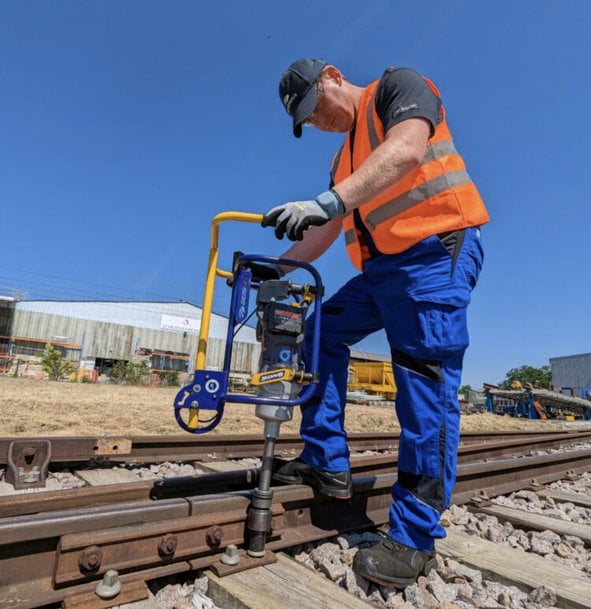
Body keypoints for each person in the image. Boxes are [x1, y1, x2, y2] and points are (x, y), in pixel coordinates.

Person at [257, 58, 490, 589]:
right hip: (384, 270)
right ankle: (325, 462)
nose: (317, 122)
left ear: (332, 77)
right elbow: (326, 226)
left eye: (314, 108)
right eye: (307, 122)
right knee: (317, 333)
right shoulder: (343, 163)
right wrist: (274, 268)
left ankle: (414, 537)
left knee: (423, 384)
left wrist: (328, 200)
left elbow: (407, 148)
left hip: (435, 253)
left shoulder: (397, 89)